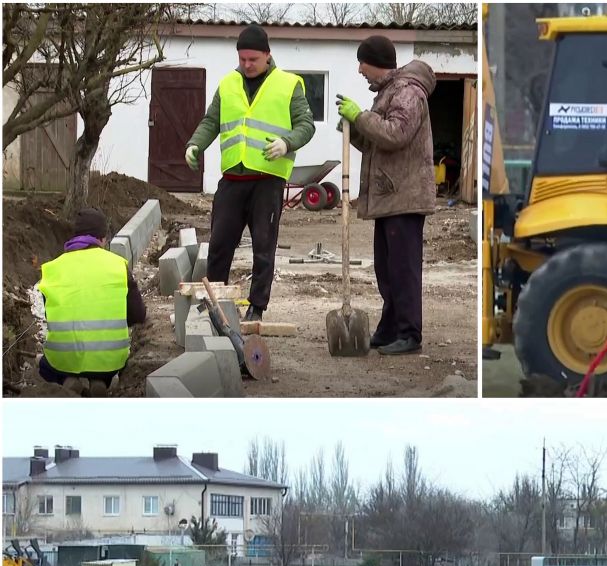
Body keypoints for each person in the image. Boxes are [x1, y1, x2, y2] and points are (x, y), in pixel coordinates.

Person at [184, 24, 315, 321]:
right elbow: (211, 121)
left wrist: (287, 143)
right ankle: (214, 306)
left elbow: (306, 126)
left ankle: (257, 307)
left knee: (263, 248)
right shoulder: (228, 83)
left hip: (267, 182)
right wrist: (195, 145)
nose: (247, 65)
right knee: (219, 245)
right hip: (232, 180)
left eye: (253, 59)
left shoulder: (289, 84)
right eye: (242, 59)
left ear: (267, 55)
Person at [336, 36, 436, 355]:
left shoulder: (407, 91)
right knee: (387, 269)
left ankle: (410, 334)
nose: (360, 71)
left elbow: (395, 135)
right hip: (390, 197)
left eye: (363, 64)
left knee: (403, 270)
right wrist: (353, 129)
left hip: (404, 197)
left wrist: (361, 117)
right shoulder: (387, 93)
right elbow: (377, 144)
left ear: (376, 62)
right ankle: (390, 328)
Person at [36, 207, 146, 397]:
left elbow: (51, 316)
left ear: (74, 237)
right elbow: (138, 314)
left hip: (63, 360)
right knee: (110, 363)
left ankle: (68, 381)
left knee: (43, 365)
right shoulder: (118, 265)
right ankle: (101, 381)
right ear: (103, 239)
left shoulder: (53, 268)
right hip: (110, 360)